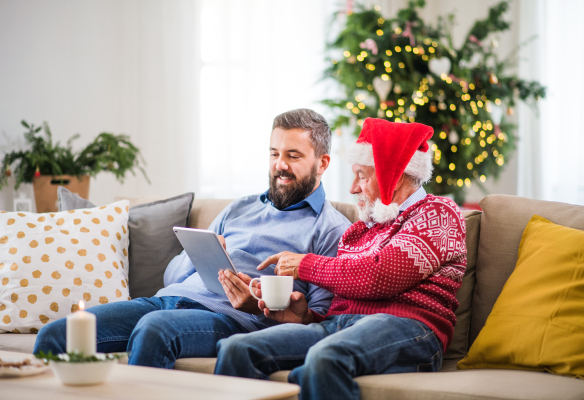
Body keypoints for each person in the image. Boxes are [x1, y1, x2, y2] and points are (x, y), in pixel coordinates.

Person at [33, 109, 351, 368]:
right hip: (167, 299)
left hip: (232, 320)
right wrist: (200, 251)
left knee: (154, 329)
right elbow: (171, 276)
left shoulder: (330, 229)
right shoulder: (240, 207)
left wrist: (260, 306)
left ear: (322, 163)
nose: (279, 165)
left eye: (293, 155)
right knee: (54, 335)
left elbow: (317, 320)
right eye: (274, 153)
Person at [214, 118, 467, 400]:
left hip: (410, 328)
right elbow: (344, 304)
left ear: (392, 173)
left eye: (362, 175)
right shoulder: (356, 233)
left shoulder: (439, 213)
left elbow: (379, 276)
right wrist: (305, 317)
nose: (353, 188)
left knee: (326, 357)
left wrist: (304, 264)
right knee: (236, 348)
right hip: (338, 326)